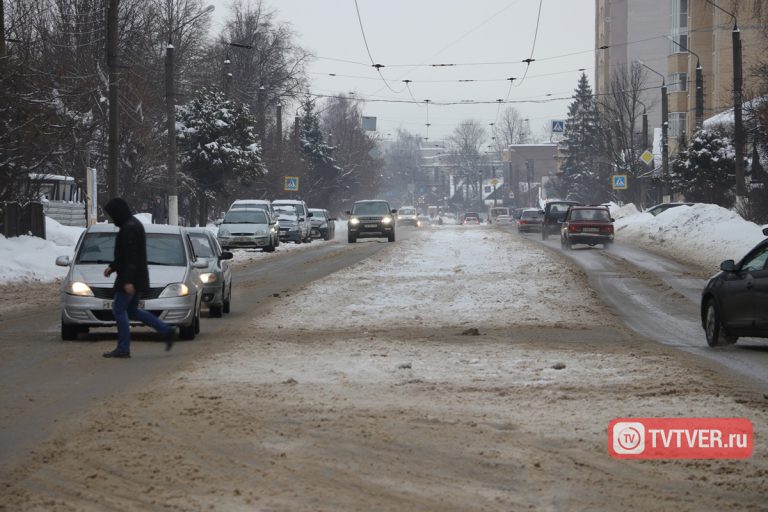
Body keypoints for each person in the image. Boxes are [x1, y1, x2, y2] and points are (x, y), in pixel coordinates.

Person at [102, 197, 176, 358]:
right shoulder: (133, 224)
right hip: (137, 276)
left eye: (112, 214)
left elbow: (131, 257)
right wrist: (113, 267)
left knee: (119, 310)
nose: (111, 218)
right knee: (133, 310)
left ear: (118, 213)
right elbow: (125, 255)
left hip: (130, 278)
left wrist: (128, 281)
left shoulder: (129, 228)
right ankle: (166, 330)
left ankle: (123, 348)